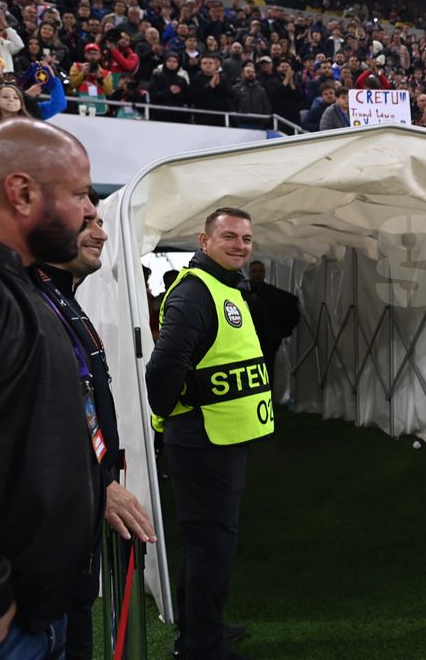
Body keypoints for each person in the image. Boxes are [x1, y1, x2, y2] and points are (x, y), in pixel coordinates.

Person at [0, 118, 100, 659]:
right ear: (22, 193)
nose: (88, 212)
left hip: (34, 609)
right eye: (80, 195)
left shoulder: (13, 276)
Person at [33, 192, 157, 660]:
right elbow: (33, 425)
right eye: (86, 222)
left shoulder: (61, 298)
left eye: (99, 221)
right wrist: (96, 485)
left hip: (72, 536)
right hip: (40, 549)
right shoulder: (29, 303)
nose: (102, 234)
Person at [146, 207, 274, 660]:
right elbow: (162, 368)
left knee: (208, 543)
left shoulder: (223, 285)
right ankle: (201, 646)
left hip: (219, 438)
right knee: (210, 546)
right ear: (204, 241)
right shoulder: (195, 292)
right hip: (203, 439)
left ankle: (202, 628)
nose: (240, 245)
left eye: (246, 238)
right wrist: (169, 415)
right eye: (229, 237)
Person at [245, 259, 300, 404]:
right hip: (246, 342)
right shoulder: (242, 292)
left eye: (260, 271)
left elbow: (292, 305)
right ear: (249, 273)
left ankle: (266, 401)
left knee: (267, 372)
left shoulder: (272, 292)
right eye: (255, 271)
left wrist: (280, 333)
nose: (258, 274)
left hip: (267, 342)